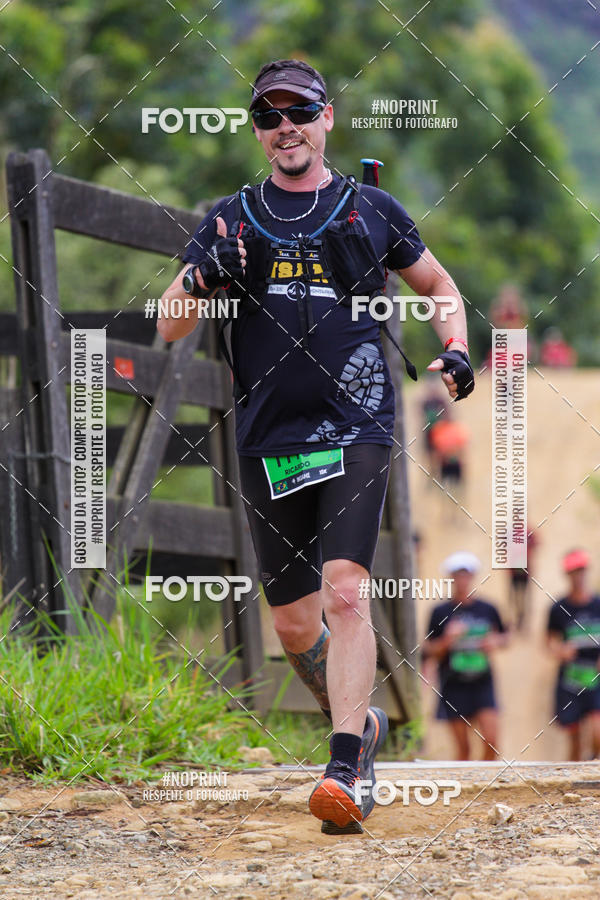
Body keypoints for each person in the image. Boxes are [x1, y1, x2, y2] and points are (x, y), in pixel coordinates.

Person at [157, 58, 475, 832]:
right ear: (258, 131)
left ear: (327, 117)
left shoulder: (371, 209)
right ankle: (360, 722)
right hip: (269, 438)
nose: (284, 125)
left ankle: (344, 764)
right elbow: (164, 326)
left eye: (298, 109)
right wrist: (202, 282)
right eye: (267, 115)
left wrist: (458, 347)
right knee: (296, 626)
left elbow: (438, 287)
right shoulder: (231, 219)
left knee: (345, 589)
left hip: (360, 423)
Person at [424, 552, 508, 760]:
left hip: (482, 681)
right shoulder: (439, 612)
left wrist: (494, 641)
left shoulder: (488, 608)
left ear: (472, 577)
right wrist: (447, 640)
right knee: (464, 749)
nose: (462, 580)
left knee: (491, 741)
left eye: (466, 575)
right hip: (453, 684)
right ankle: (468, 791)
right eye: (457, 575)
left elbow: (506, 636)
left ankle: (489, 787)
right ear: (451, 578)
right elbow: (429, 650)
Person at [547, 549, 600, 761]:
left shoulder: (598, 604)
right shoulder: (558, 608)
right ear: (567, 574)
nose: (578, 576)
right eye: (573, 572)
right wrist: (560, 651)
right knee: (575, 739)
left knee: (598, 734)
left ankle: (592, 768)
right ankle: (573, 786)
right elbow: (549, 641)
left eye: (581, 571)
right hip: (571, 679)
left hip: (596, 677)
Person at [507, 525, 538, 631]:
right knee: (514, 596)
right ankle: (516, 618)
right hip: (513, 570)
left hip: (525, 569)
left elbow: (536, 544)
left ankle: (524, 620)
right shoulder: (510, 531)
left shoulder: (529, 530)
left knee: (525, 596)